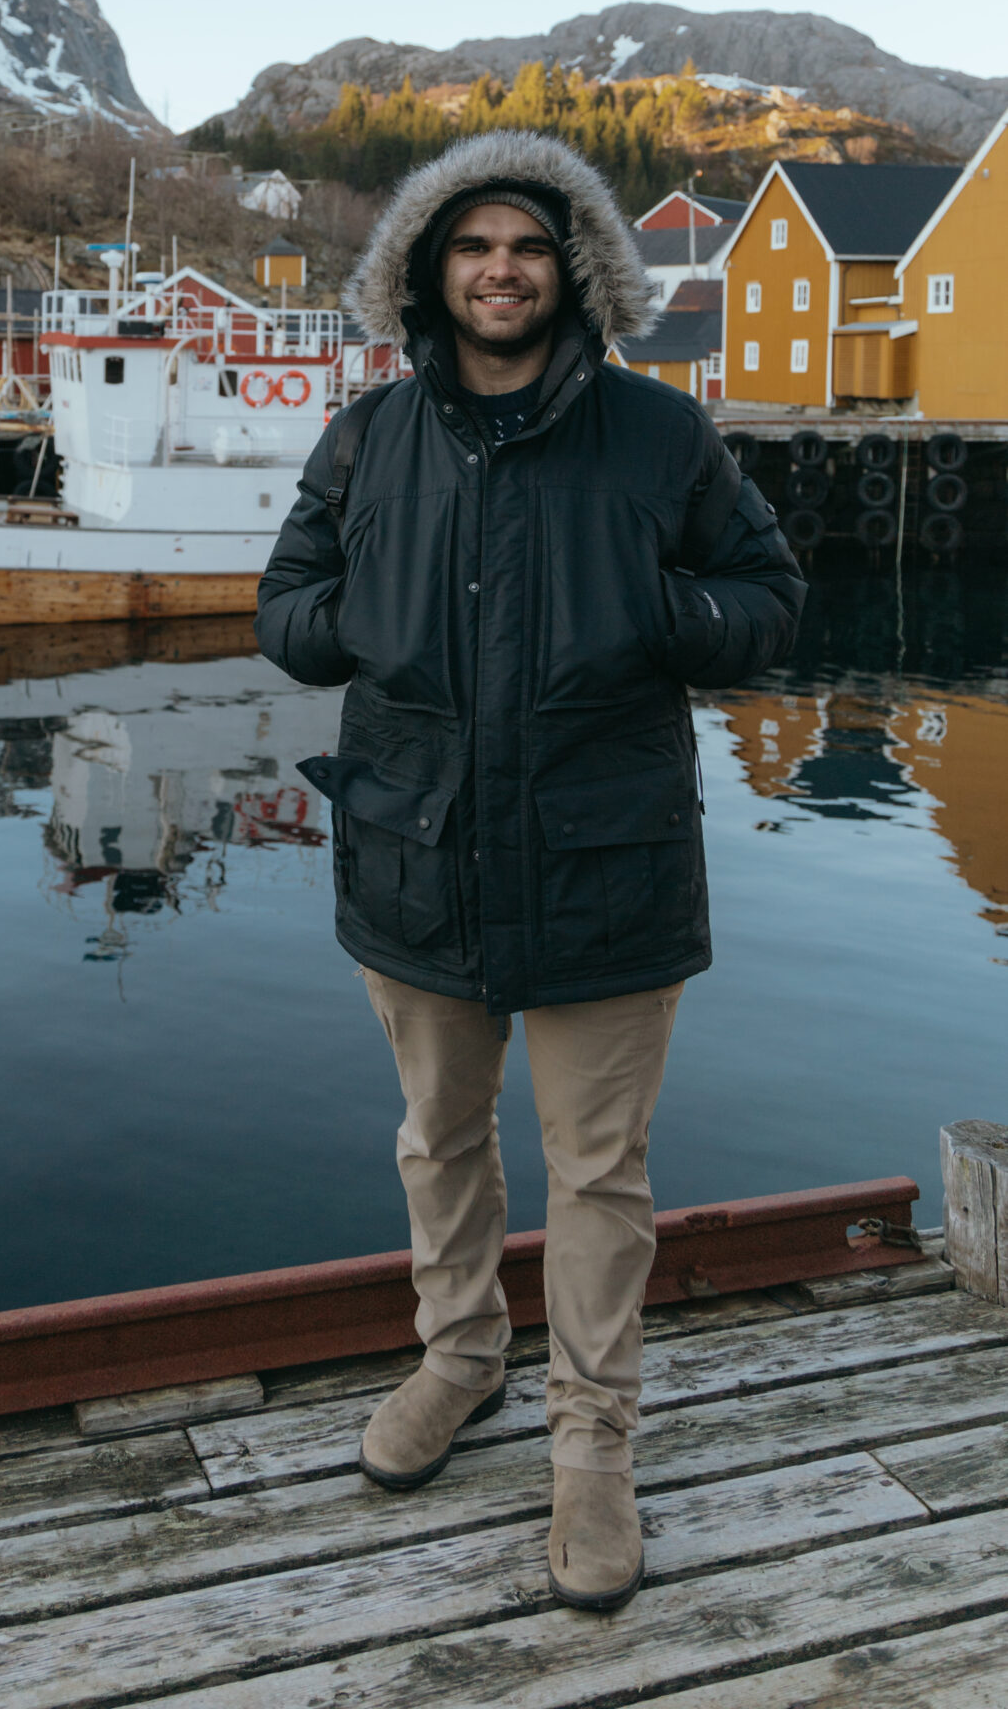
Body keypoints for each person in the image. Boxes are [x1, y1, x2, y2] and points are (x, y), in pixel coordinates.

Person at [256, 131, 803, 1614]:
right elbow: (285, 607)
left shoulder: (659, 435)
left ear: (573, 273)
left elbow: (766, 598)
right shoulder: (368, 435)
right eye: (473, 245)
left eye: (530, 246)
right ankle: (459, 1361)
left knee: (598, 1171)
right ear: (431, 270)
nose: (502, 269)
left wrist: (655, 609)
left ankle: (592, 1443)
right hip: (415, 851)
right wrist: (356, 615)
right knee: (438, 1140)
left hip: (601, 865)